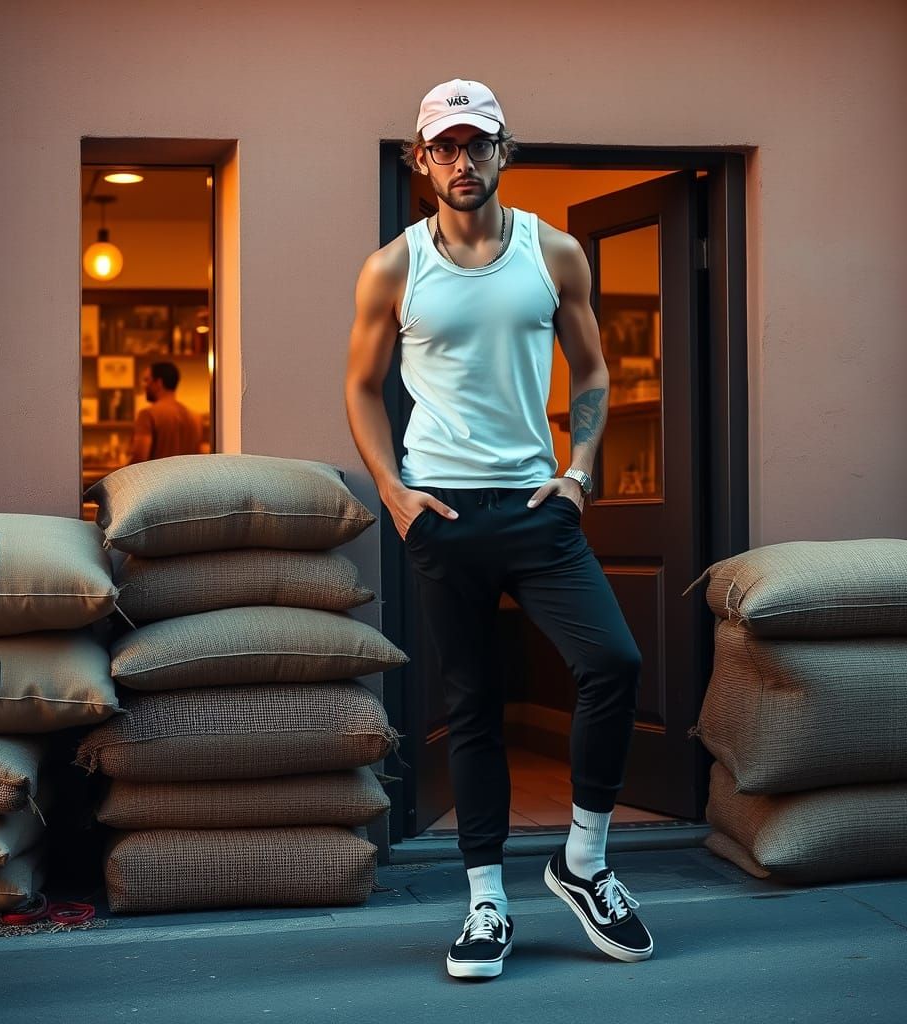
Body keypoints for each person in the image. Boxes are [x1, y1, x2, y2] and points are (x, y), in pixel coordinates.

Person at [344, 79, 652, 980]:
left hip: (533, 508)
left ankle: (583, 863)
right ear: (423, 159)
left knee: (615, 663)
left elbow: (593, 372)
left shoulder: (554, 255)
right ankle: (486, 903)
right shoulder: (392, 267)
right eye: (446, 146)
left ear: (503, 151)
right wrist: (394, 494)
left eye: (479, 144)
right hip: (440, 510)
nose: (463, 161)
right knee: (473, 705)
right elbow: (362, 387)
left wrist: (581, 473)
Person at [128, 361, 204, 464]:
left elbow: (139, 459)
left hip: (157, 479)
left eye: (147, 380)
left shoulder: (148, 414)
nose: (144, 385)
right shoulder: (195, 417)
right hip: (186, 479)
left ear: (158, 383)